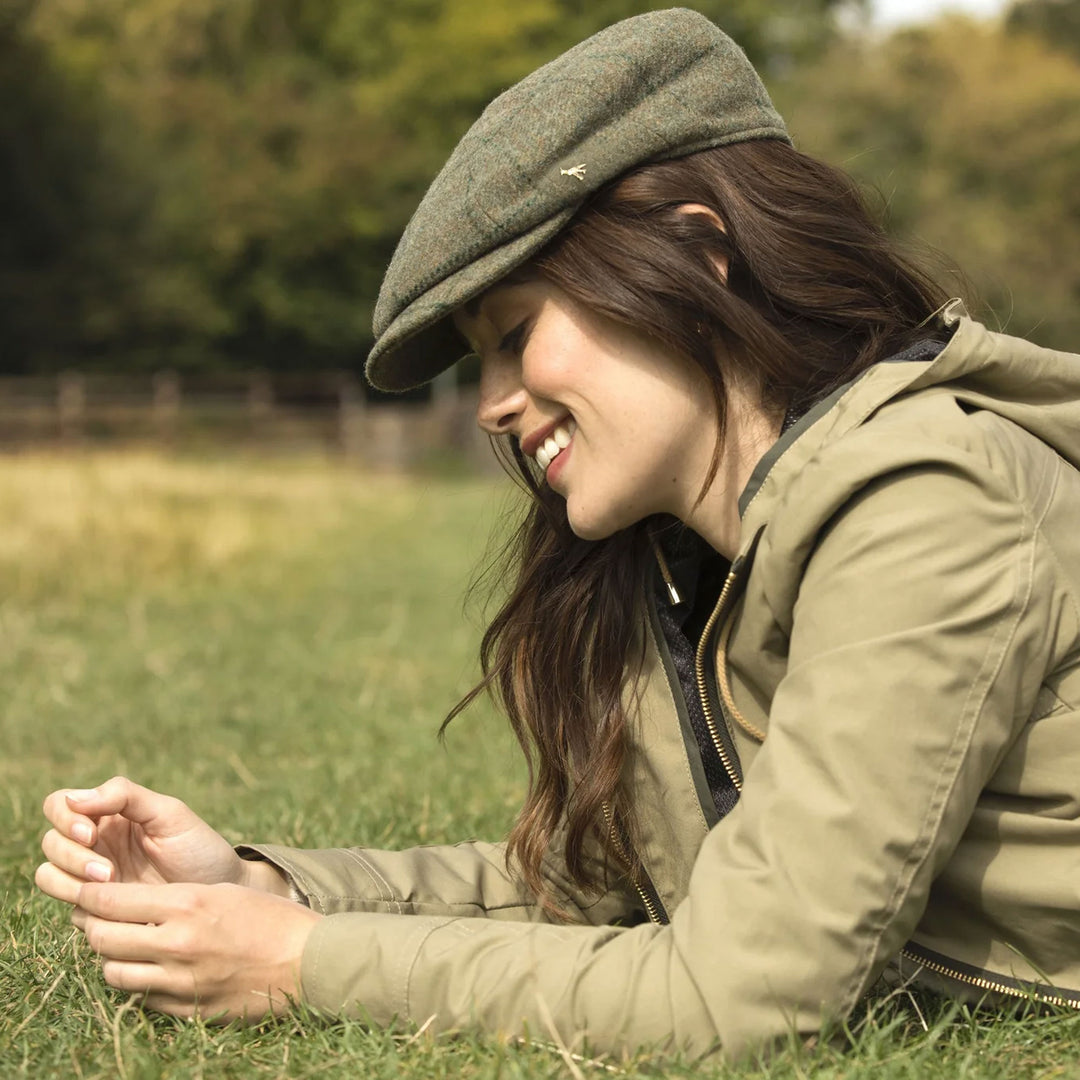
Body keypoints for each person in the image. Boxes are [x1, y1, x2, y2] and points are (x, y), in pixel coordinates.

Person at [34, 7, 1080, 1061]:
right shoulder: (691, 561)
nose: (492, 403)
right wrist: (272, 889)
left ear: (700, 253)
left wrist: (294, 962)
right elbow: (608, 892)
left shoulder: (925, 501)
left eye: (518, 335)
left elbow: (742, 994)